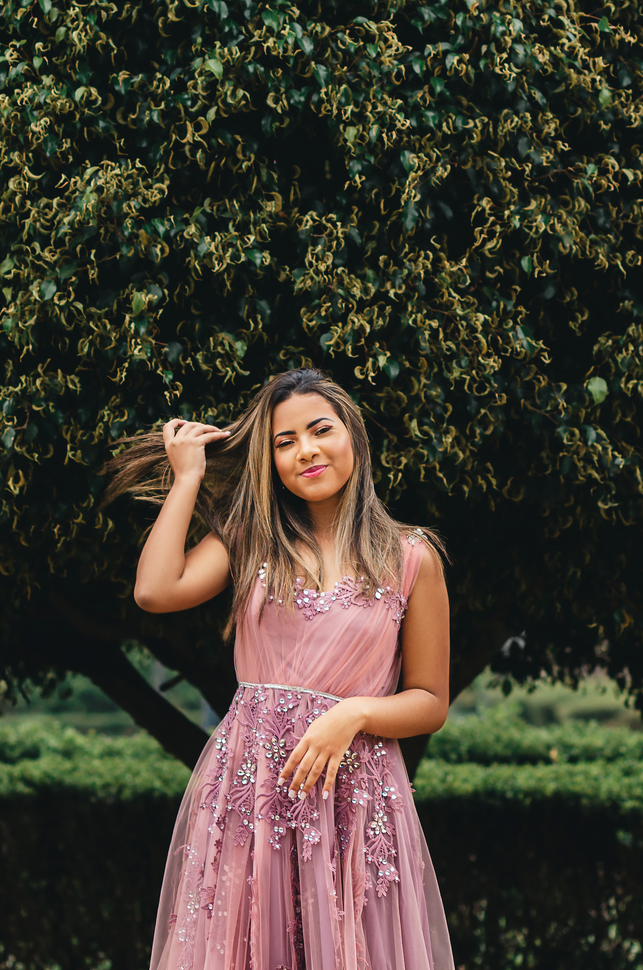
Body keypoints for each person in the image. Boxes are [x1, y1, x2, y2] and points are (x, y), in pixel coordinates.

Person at [105, 365, 455, 970]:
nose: (305, 451)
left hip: (356, 797)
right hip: (253, 791)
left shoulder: (411, 558)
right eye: (284, 442)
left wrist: (356, 713)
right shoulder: (250, 538)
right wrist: (186, 478)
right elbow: (155, 591)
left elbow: (430, 700)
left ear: (353, 436)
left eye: (319, 430)